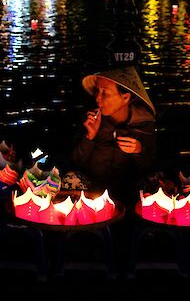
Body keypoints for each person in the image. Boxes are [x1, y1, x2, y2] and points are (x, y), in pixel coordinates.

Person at [64, 65, 157, 206]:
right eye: (97, 91)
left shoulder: (143, 124)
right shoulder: (93, 119)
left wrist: (138, 150)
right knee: (70, 179)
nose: (98, 98)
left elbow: (148, 166)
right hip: (91, 188)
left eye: (105, 93)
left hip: (126, 190)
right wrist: (90, 137)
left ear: (125, 97)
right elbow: (76, 162)